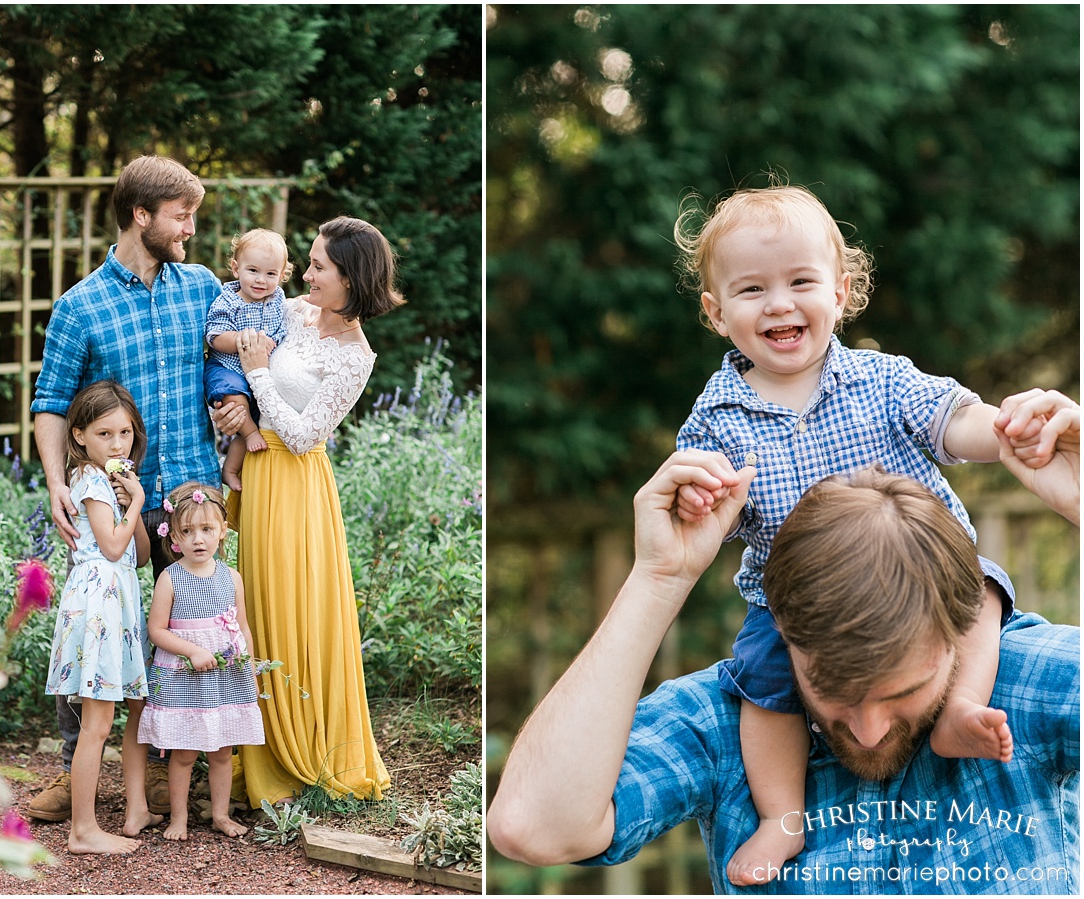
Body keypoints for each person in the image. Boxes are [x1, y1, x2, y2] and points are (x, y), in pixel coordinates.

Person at [488, 389, 1080, 894]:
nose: (869, 731)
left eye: (905, 688)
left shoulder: (1030, 681)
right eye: (830, 689)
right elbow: (532, 826)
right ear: (782, 637)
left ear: (965, 625)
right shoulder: (732, 719)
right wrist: (658, 579)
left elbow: (960, 419)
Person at [671, 184, 1048, 883]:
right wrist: (697, 494)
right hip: (797, 610)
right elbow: (702, 494)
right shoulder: (719, 415)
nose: (779, 303)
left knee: (983, 596)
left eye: (800, 282)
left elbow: (949, 420)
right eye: (752, 290)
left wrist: (1006, 430)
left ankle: (958, 708)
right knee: (762, 683)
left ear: (841, 293)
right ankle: (783, 818)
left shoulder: (879, 378)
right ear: (717, 313)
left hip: (922, 579)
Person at [29, 155, 244, 821]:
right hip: (112, 500)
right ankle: (76, 772)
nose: (191, 228)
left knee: (179, 627)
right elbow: (50, 403)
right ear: (141, 215)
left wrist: (241, 406)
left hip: (191, 497)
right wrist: (58, 481)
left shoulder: (202, 285)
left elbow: (241, 348)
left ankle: (164, 764)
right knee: (98, 622)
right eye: (182, 216)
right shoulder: (79, 305)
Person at [229, 216, 405, 805]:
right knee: (252, 604)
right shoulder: (294, 312)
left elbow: (306, 434)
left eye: (318, 266)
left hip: (297, 485)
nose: (304, 274)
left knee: (290, 606)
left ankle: (294, 753)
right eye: (307, 262)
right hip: (257, 472)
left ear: (351, 279)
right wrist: (240, 416)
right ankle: (244, 743)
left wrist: (256, 375)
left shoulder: (356, 356)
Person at [42, 381, 160, 854]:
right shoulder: (90, 480)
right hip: (100, 604)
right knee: (98, 721)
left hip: (120, 599)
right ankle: (83, 830)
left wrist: (136, 500)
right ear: (79, 437)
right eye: (105, 434)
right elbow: (113, 547)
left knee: (135, 707)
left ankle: (137, 810)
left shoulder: (113, 483)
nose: (118, 445)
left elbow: (141, 554)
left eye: (126, 434)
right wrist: (134, 503)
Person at [137, 482, 265, 841]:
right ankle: (179, 819)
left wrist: (250, 669)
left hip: (224, 677)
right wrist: (191, 650)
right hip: (185, 678)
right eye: (188, 531)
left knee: (224, 752)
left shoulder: (231, 578)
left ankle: (220, 815)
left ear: (222, 532)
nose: (198, 539)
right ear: (174, 535)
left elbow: (242, 628)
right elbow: (156, 630)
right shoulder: (171, 577)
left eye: (207, 530)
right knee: (183, 753)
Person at [204, 229, 293, 492]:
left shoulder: (278, 300)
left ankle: (230, 471)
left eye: (270, 274)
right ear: (235, 268)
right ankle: (250, 433)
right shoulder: (228, 299)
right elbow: (215, 337)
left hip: (259, 375)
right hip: (227, 369)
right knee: (239, 407)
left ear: (282, 275)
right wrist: (246, 339)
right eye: (252, 270)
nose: (260, 280)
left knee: (255, 418)